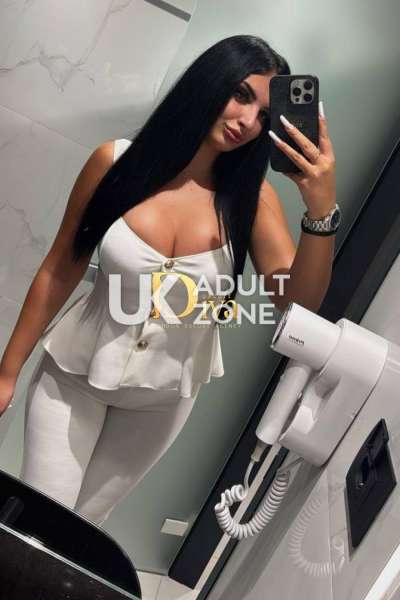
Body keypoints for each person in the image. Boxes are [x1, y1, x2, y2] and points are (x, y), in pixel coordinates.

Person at [0, 35, 337, 526]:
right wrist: (7, 372)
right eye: (241, 95)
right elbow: (59, 268)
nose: (248, 121)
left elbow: (296, 303)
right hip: (72, 379)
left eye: (265, 115)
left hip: (158, 404)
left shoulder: (253, 202)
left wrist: (320, 211)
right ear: (209, 83)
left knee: (81, 533)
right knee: (37, 522)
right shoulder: (114, 162)